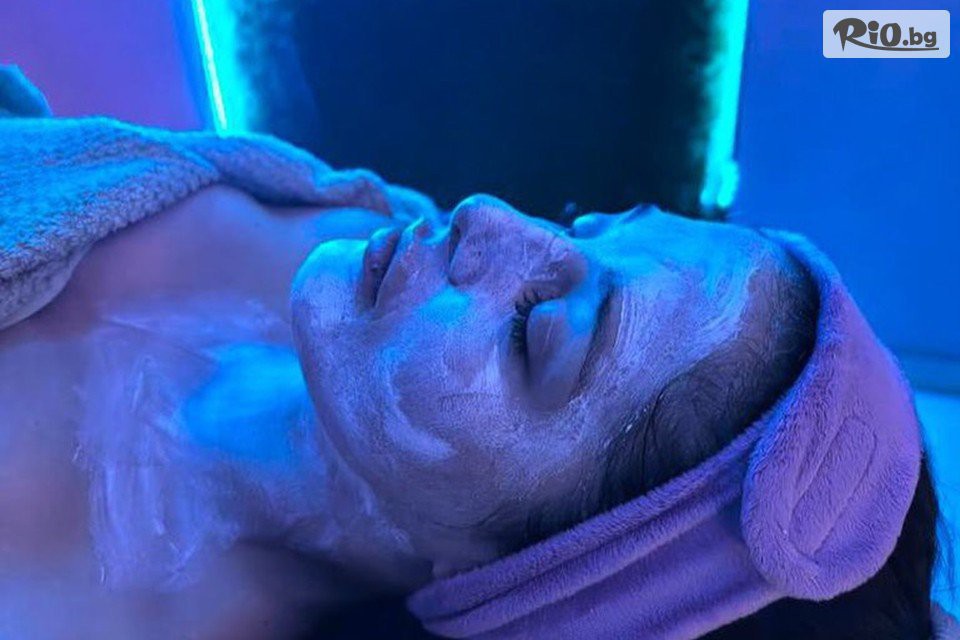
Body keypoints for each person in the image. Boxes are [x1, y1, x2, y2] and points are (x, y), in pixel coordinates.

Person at [0, 69, 952, 638]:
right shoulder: (368, 231)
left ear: (515, 581)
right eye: (586, 227)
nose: (488, 217)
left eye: (536, 328)